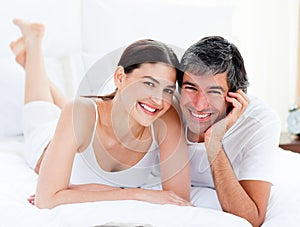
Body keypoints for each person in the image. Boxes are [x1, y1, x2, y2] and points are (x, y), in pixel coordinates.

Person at [10, 19, 191, 209]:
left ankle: (27, 59)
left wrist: (75, 191)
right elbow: (46, 200)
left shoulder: (166, 116)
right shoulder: (77, 112)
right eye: (149, 84)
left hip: (83, 125)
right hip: (46, 145)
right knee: (42, 111)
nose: (158, 100)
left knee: (77, 113)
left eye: (168, 90)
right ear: (120, 77)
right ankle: (33, 42)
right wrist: (138, 194)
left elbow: (176, 197)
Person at [178, 36, 281, 227]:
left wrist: (213, 140)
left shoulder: (260, 121)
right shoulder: (165, 106)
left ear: (235, 96)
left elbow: (252, 218)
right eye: (191, 88)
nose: (199, 105)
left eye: (214, 92)